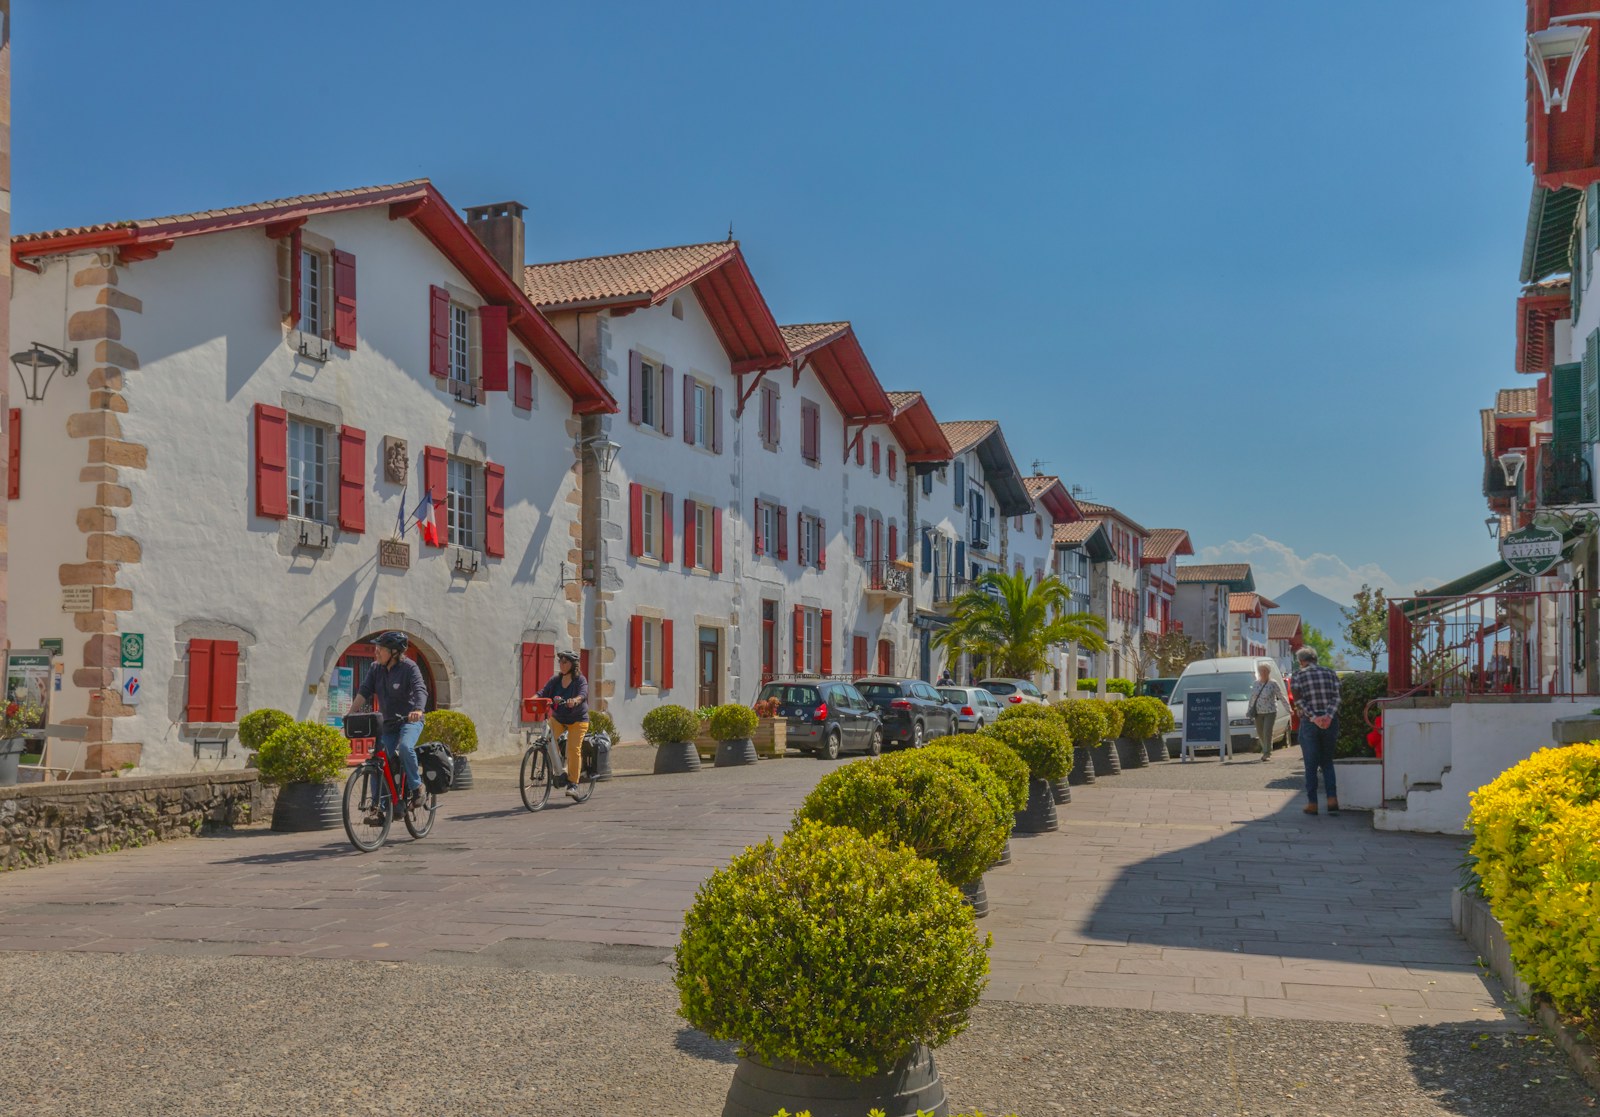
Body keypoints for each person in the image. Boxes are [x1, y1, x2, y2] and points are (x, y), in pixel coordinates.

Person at [350, 631, 427, 808]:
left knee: (406, 748)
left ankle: (417, 787)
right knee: (378, 761)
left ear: (394, 652)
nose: (376, 652)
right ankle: (380, 808)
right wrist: (350, 714)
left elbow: (420, 690)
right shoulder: (375, 668)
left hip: (409, 721)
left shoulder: (410, 668)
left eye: (380, 649)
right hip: (389, 724)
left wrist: (418, 710)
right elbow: (364, 691)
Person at [1290, 646, 1342, 815]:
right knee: (1327, 762)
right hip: (1330, 722)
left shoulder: (1298, 675)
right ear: (1315, 658)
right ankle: (1332, 799)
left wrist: (1314, 717)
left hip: (1310, 723)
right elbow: (1337, 697)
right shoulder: (1330, 672)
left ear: (1301, 661)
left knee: (1310, 765)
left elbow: (1299, 701)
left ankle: (1312, 803)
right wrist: (1328, 715)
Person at [538, 650, 589, 799]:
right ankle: (561, 770)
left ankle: (573, 783)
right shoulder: (555, 680)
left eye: (565, 662)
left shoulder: (580, 680)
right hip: (559, 718)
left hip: (578, 719)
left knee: (573, 749)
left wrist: (576, 700)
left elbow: (583, 693)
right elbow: (543, 692)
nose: (562, 664)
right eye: (560, 661)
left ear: (573, 664)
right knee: (547, 741)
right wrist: (530, 699)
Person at [1247, 661, 1283, 763]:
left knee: (1267, 731)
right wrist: (1249, 709)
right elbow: (1252, 698)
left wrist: (1288, 708)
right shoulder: (1255, 684)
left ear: (1268, 672)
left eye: (1265, 671)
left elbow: (1281, 696)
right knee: (1260, 732)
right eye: (1261, 671)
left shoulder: (1273, 683)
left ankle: (1266, 753)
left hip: (1270, 711)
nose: (1263, 672)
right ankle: (1266, 748)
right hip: (1258, 712)